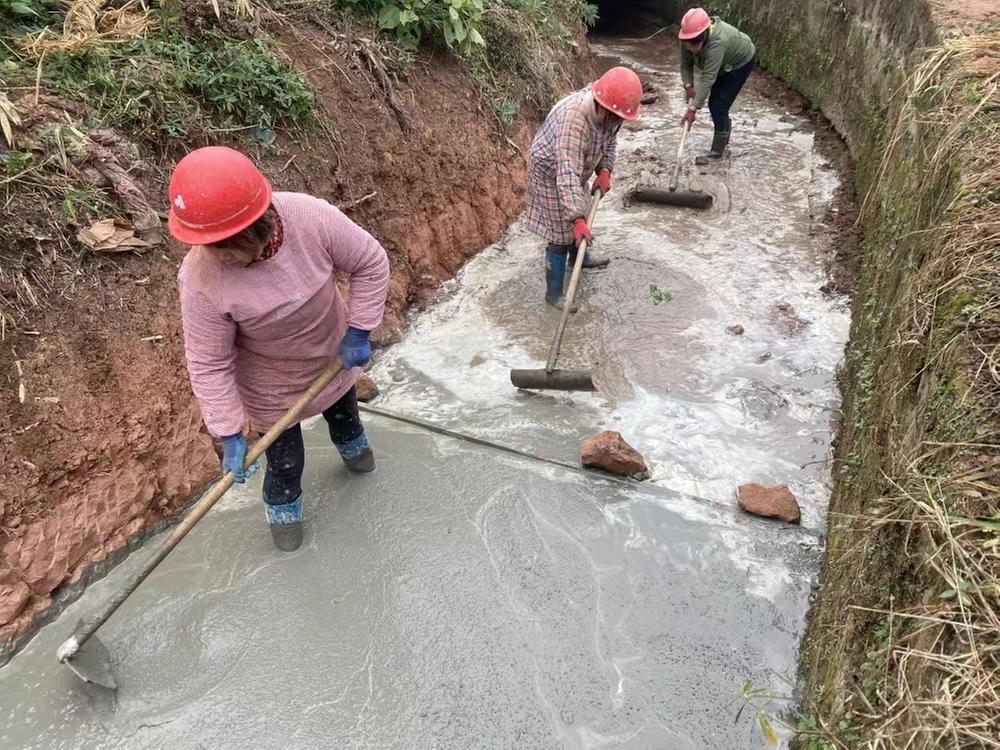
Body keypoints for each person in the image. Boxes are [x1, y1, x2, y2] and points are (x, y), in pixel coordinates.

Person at [169, 146, 390, 552]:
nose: (215, 256)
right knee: (286, 466)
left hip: (333, 356)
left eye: (224, 248)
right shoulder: (200, 279)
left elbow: (370, 262)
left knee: (348, 427)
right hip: (271, 385)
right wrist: (229, 432)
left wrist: (359, 330)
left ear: (256, 229)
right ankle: (288, 538)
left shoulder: (308, 217)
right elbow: (209, 361)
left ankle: (361, 469)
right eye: (210, 247)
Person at [524, 66, 642, 310]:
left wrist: (606, 169)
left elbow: (610, 140)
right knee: (561, 231)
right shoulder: (575, 119)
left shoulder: (612, 113)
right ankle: (554, 293)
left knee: (584, 214)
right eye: (614, 117)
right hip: (550, 171)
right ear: (602, 105)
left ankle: (580, 259)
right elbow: (566, 173)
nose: (616, 122)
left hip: (579, 163)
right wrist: (575, 219)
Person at [678, 7, 755, 164]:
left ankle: (717, 151)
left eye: (695, 44)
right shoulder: (686, 38)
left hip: (741, 62)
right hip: (722, 65)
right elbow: (685, 65)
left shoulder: (717, 43)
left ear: (705, 35)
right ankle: (724, 134)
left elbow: (708, 78)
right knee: (717, 104)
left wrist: (692, 109)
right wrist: (688, 86)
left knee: (718, 105)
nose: (691, 48)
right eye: (688, 44)